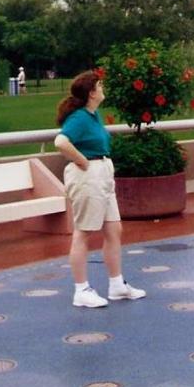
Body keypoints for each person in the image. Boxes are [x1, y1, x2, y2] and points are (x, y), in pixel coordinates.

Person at [55, 71, 146, 308]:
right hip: (88, 176)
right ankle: (81, 290)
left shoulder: (93, 115)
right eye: (99, 85)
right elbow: (61, 142)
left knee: (114, 229)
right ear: (91, 93)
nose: (103, 88)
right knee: (84, 232)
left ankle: (116, 285)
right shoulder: (80, 118)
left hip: (102, 173)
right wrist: (82, 161)